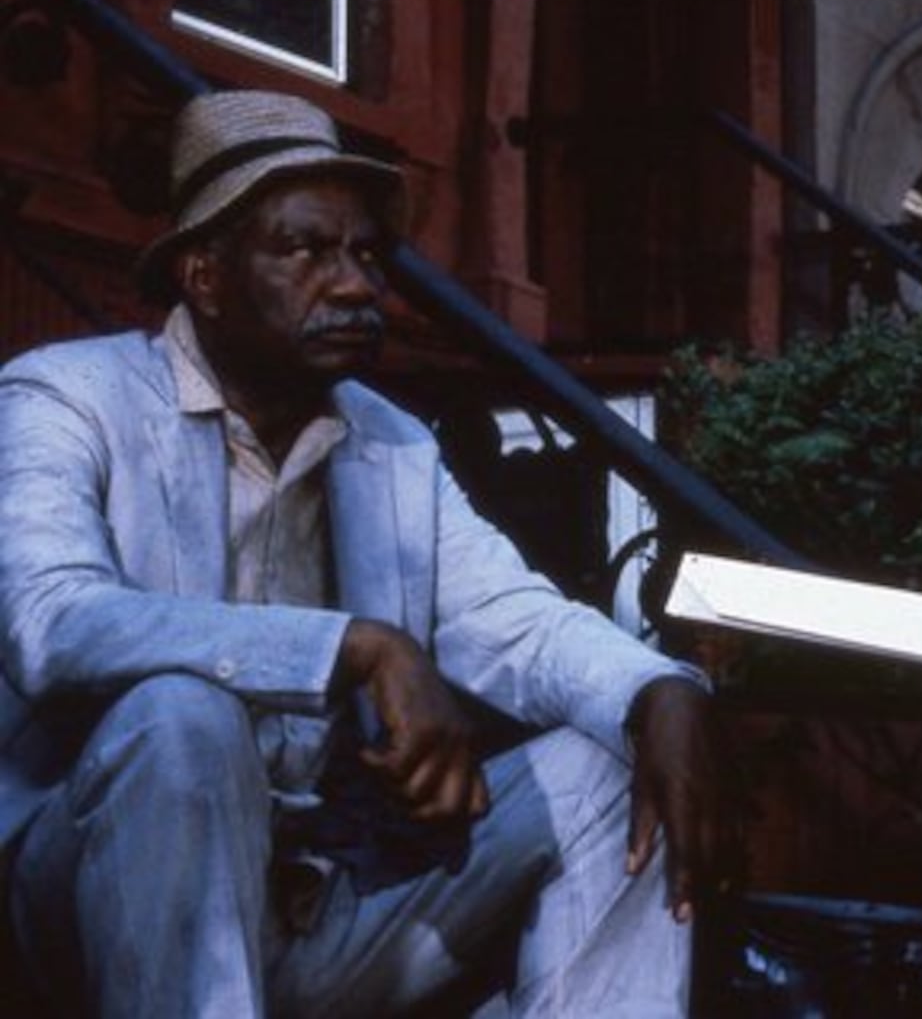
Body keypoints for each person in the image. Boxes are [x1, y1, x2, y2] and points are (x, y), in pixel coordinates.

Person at [0, 89, 724, 1018]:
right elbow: (52, 621)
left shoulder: (392, 443)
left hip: (313, 908)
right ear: (204, 275)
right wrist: (353, 645)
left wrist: (657, 693)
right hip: (91, 898)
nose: (353, 285)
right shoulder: (64, 397)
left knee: (617, 763)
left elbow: (512, 619)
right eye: (304, 250)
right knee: (182, 717)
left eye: (366, 255)